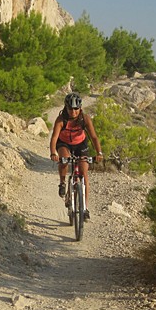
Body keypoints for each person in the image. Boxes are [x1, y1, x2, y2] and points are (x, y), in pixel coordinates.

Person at [49, 92, 103, 220]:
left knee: (84, 172)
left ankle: (85, 208)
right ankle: (62, 183)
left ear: (80, 108)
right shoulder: (61, 120)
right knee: (64, 160)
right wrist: (53, 153)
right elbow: (54, 138)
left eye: (76, 109)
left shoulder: (85, 119)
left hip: (80, 144)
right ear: (66, 108)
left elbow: (94, 137)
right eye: (70, 109)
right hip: (64, 143)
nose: (73, 112)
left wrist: (99, 153)